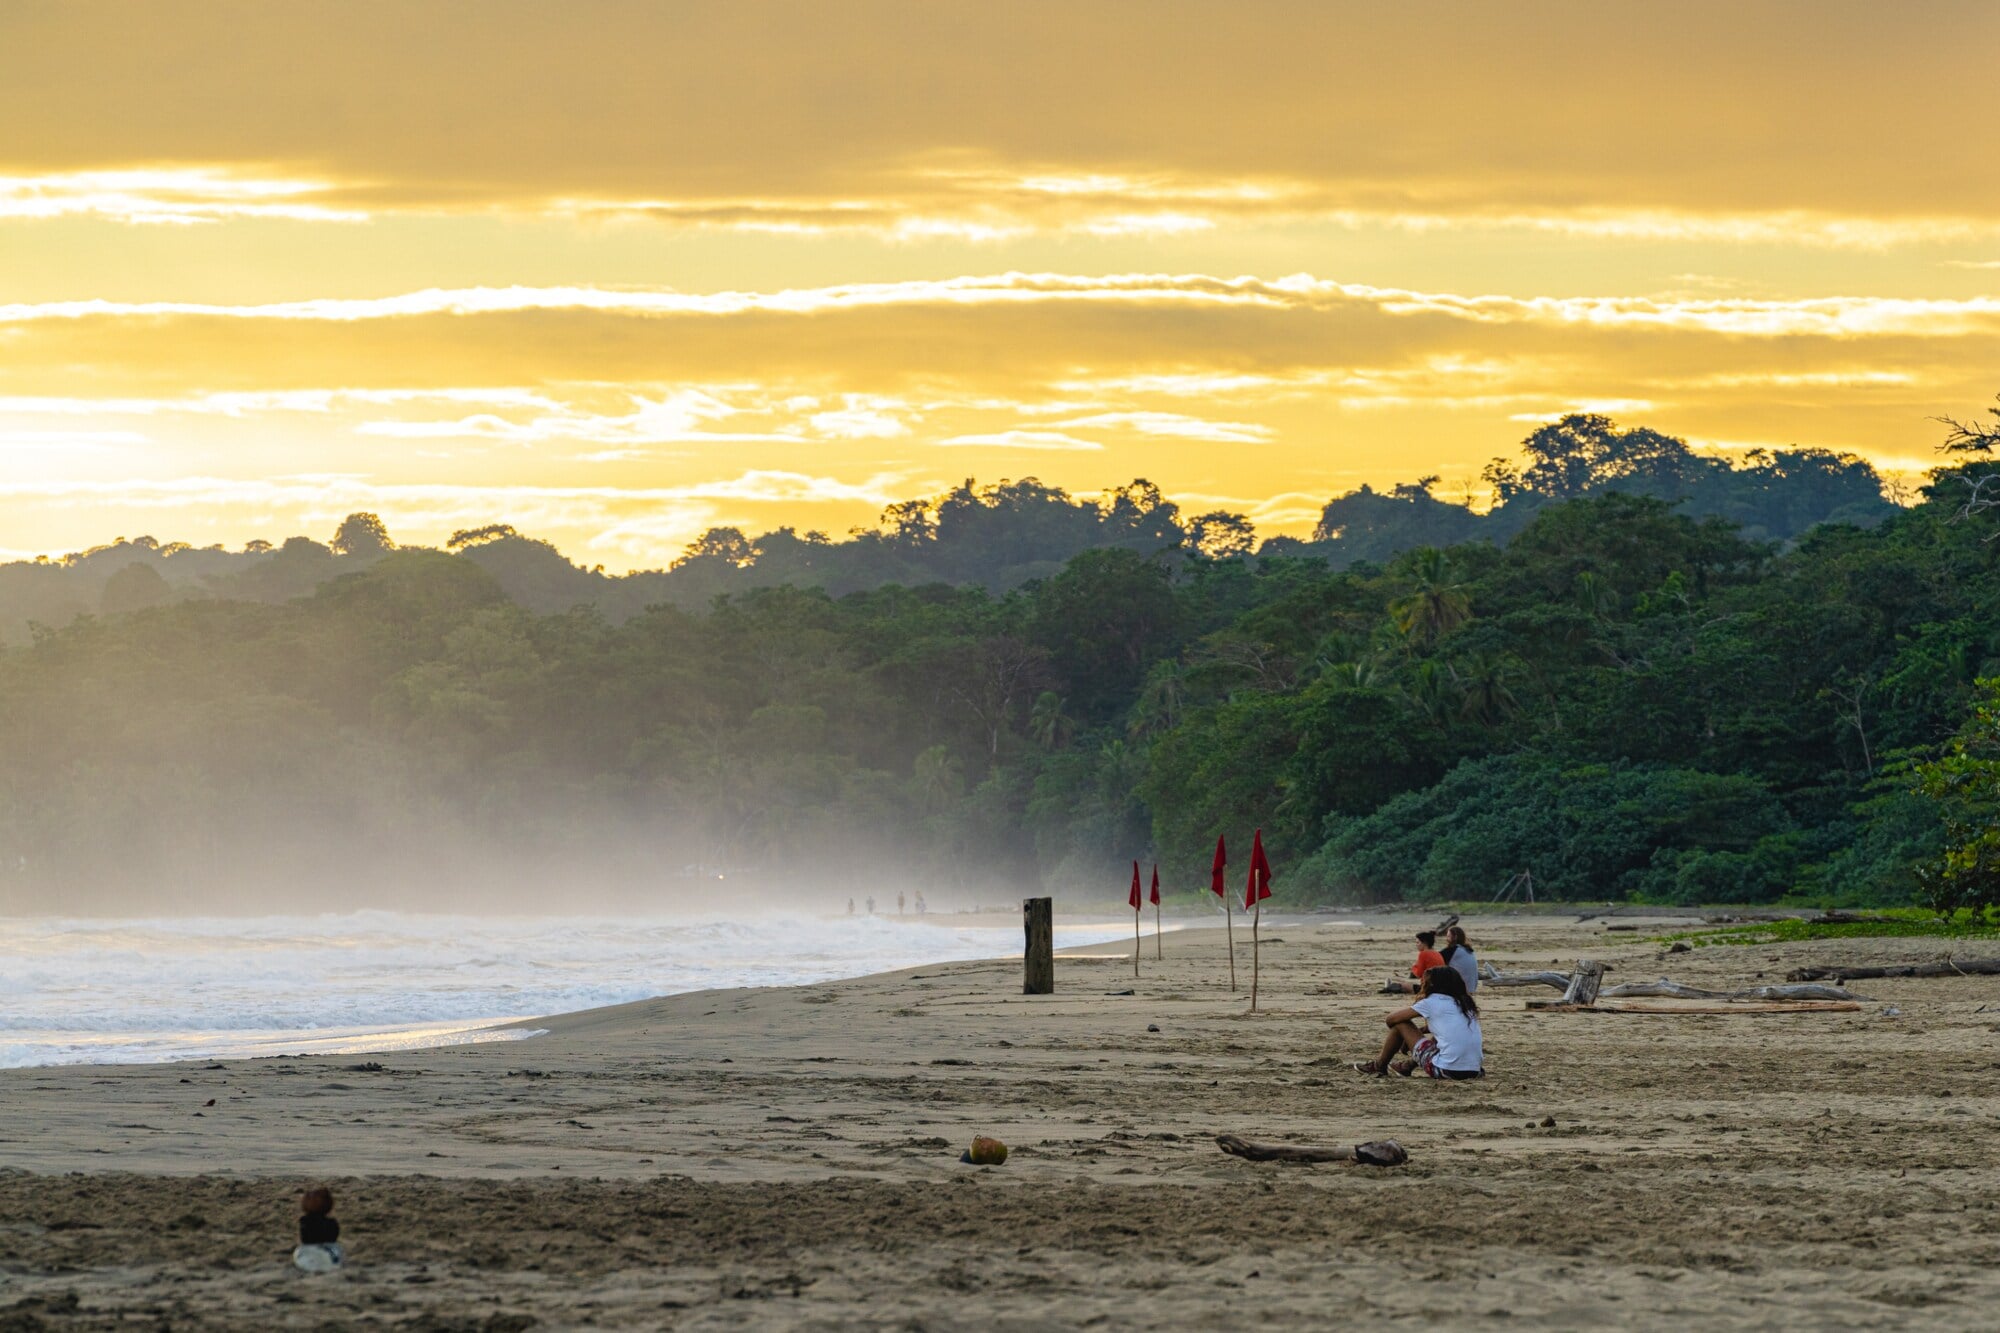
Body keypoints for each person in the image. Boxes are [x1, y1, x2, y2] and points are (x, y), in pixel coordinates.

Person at [1354, 966, 1483, 1079]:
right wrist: (1417, 1034)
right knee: (1441, 1038)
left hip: (1446, 1070)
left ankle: (1379, 1066)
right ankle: (1407, 1066)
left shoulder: (1432, 1001)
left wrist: (1405, 1036)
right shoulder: (1464, 1004)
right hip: (1474, 1071)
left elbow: (1391, 1019)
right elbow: (1446, 1030)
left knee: (1401, 1024)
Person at [293, 1185, 344, 1272]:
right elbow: (334, 1238)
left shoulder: (305, 1221)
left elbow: (305, 1239)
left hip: (311, 1253)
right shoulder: (332, 1222)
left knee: (299, 1252)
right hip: (330, 1252)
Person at [1439, 925, 1479, 994]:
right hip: (1471, 987)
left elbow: (1436, 959)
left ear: (1455, 937)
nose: (1446, 939)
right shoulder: (1468, 950)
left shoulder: (1453, 950)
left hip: (1459, 988)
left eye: (1448, 936)